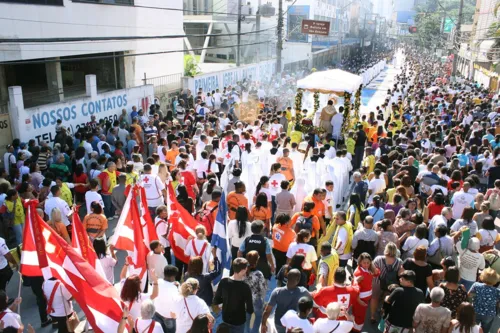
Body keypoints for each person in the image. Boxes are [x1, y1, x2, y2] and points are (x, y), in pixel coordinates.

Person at [261, 269, 310, 333]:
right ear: (298, 280)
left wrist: (263, 324)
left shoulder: (277, 291)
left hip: (279, 323)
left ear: (287, 277)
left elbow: (267, 311)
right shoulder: (303, 292)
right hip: (294, 324)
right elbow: (312, 302)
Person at [213, 257, 254, 332]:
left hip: (225, 319)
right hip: (239, 321)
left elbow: (216, 300)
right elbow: (250, 309)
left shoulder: (223, 282)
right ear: (242, 271)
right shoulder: (245, 287)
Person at [370, 242, 404, 323]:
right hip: (391, 284)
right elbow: (401, 274)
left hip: (377, 281)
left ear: (386, 250)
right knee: (386, 299)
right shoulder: (399, 261)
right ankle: (382, 313)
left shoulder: (378, 259)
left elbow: (373, 271)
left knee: (374, 298)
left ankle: (372, 316)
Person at [352, 253, 379, 332]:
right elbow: (355, 289)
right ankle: (356, 331)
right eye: (364, 263)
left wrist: (372, 266)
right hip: (360, 300)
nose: (366, 264)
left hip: (364, 299)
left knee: (358, 316)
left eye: (368, 262)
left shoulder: (367, 269)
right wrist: (359, 301)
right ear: (360, 262)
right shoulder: (360, 274)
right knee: (360, 318)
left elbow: (377, 273)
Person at [468, 268, 500, 332]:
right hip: (489, 314)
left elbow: (469, 295)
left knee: (472, 329)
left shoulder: (476, 285)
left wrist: (477, 295)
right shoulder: (497, 291)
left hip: (475, 311)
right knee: (485, 330)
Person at [243, 251, 267, 333]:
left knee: (247, 320)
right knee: (258, 317)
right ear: (256, 261)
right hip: (257, 300)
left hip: (245, 302)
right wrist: (263, 301)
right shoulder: (258, 274)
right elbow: (263, 289)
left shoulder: (242, 273)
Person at [154, 265, 179, 333]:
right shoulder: (174, 288)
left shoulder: (158, 282)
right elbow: (177, 302)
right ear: (172, 277)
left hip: (157, 313)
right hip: (169, 317)